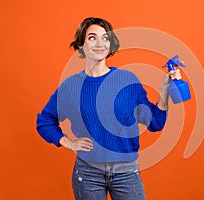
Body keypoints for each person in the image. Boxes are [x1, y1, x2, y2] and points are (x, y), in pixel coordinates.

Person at [36, 17, 182, 200]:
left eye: (105, 38)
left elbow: (155, 123)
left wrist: (164, 90)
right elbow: (44, 121)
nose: (99, 43)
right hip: (87, 174)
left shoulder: (127, 81)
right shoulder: (71, 86)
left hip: (126, 173)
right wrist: (67, 142)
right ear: (81, 45)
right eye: (92, 37)